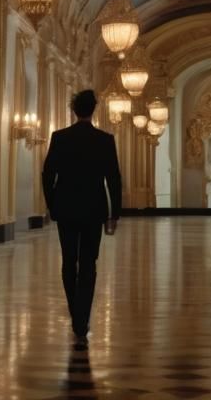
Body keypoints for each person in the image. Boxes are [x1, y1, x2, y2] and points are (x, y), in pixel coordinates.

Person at [42, 89, 123, 350]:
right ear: (93, 110)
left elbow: (47, 175)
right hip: (93, 209)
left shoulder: (60, 137)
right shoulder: (104, 140)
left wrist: (52, 204)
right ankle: (82, 318)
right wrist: (114, 213)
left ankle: (75, 310)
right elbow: (114, 179)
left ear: (74, 110)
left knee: (69, 261)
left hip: (65, 208)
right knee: (89, 263)